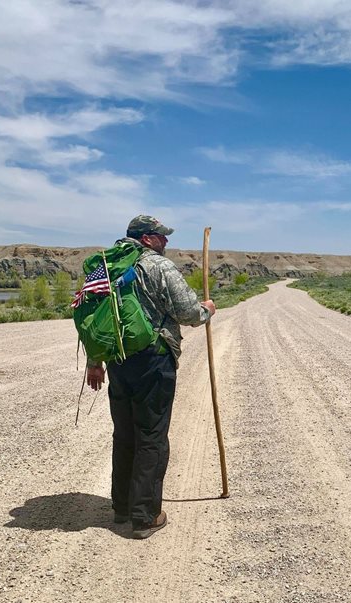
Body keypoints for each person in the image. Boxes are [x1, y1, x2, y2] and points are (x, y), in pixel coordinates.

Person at [87, 215, 216, 539]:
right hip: (153, 361)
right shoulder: (158, 267)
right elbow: (188, 313)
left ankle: (122, 507)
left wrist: (95, 361)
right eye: (161, 236)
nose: (166, 242)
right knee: (151, 437)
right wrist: (207, 310)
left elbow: (93, 317)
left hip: (118, 361)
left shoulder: (105, 266)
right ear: (146, 238)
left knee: (125, 434)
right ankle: (145, 516)